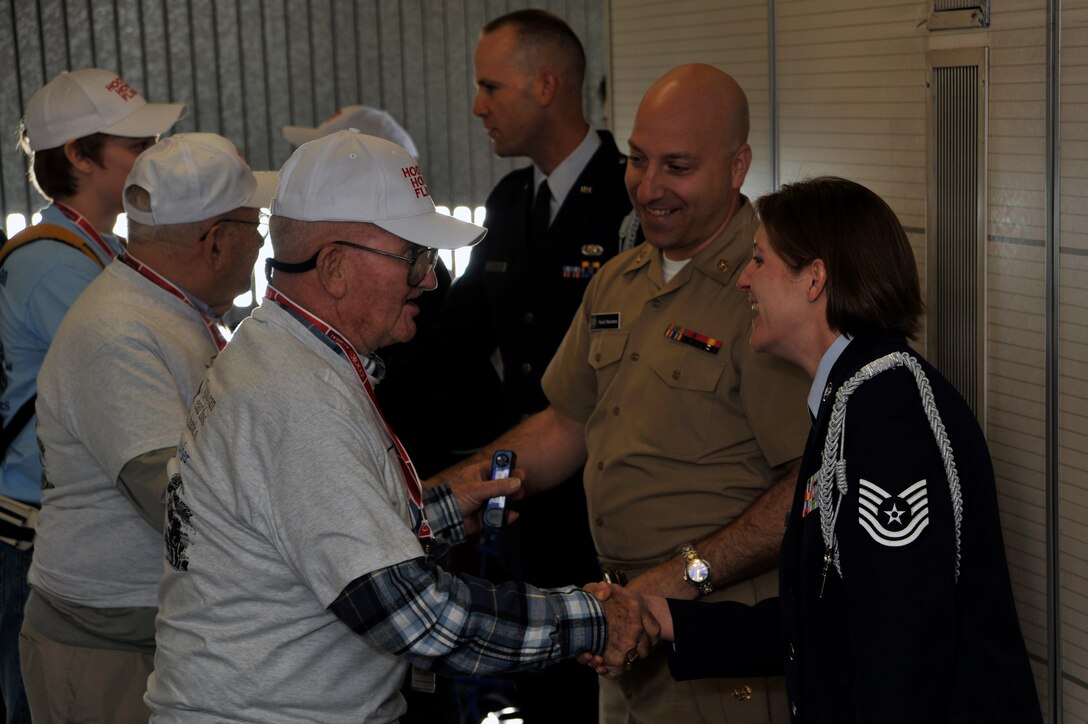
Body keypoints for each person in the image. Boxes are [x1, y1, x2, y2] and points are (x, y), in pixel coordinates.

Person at [145, 130, 656, 723]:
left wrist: (434, 511)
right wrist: (592, 619)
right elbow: (416, 618)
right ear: (334, 266)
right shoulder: (297, 398)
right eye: (414, 255)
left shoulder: (285, 356)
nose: (430, 279)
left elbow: (307, 537)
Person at [444, 64, 811, 723]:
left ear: (738, 166)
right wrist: (445, 495)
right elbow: (566, 423)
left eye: (677, 166)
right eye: (638, 160)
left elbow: (808, 483)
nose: (648, 187)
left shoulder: (767, 291)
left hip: (722, 641)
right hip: (622, 627)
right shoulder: (620, 279)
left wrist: (680, 577)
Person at [635, 176, 1042, 722]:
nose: (744, 282)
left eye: (759, 260)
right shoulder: (853, 396)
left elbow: (902, 653)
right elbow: (827, 623)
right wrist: (665, 618)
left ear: (815, 278)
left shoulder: (888, 412)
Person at [22, 133, 274, 723]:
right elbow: (179, 504)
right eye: (254, 222)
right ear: (215, 242)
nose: (262, 239)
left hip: (149, 635)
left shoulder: (171, 309)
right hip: (109, 651)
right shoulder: (120, 334)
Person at [434, 9, 634, 718]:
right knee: (540, 696)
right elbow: (452, 334)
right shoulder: (512, 200)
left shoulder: (627, 201)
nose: (477, 105)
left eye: (492, 86)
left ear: (546, 85)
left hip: (604, 513)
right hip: (523, 504)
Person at [0, 67, 185, 724]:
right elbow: (127, 387)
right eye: (137, 143)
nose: (154, 155)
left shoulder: (94, 250)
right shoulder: (56, 262)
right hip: (29, 541)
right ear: (79, 155)